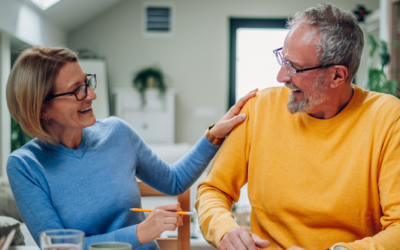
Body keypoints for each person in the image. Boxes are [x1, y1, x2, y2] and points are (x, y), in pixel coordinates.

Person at [6, 46, 257, 250]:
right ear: (42, 108)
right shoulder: (25, 165)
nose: (91, 95)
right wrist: (141, 232)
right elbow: (59, 248)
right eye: (76, 91)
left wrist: (214, 135)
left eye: (87, 82)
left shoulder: (117, 132)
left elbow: (174, 181)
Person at [195, 4, 400, 250]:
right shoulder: (259, 108)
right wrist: (224, 229)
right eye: (283, 59)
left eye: (294, 67)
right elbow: (213, 190)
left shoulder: (388, 118)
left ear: (337, 76)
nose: (281, 76)